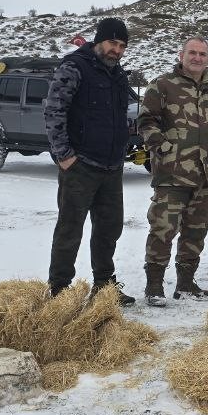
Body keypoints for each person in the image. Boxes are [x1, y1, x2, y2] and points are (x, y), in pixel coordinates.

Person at [43, 17, 136, 305]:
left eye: (122, 46)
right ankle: (59, 289)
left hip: (111, 166)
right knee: (70, 229)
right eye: (112, 43)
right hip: (80, 165)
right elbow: (54, 110)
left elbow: (125, 112)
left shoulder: (117, 74)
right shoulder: (74, 67)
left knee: (109, 229)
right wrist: (64, 155)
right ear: (98, 41)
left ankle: (104, 286)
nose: (116, 50)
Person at [138, 36, 208, 305]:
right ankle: (154, 286)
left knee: (196, 230)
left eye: (203, 54)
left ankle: (186, 283)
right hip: (172, 174)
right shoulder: (162, 85)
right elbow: (146, 121)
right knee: (163, 229)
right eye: (192, 53)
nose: (197, 58)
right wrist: (163, 147)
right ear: (181, 55)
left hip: (206, 175)